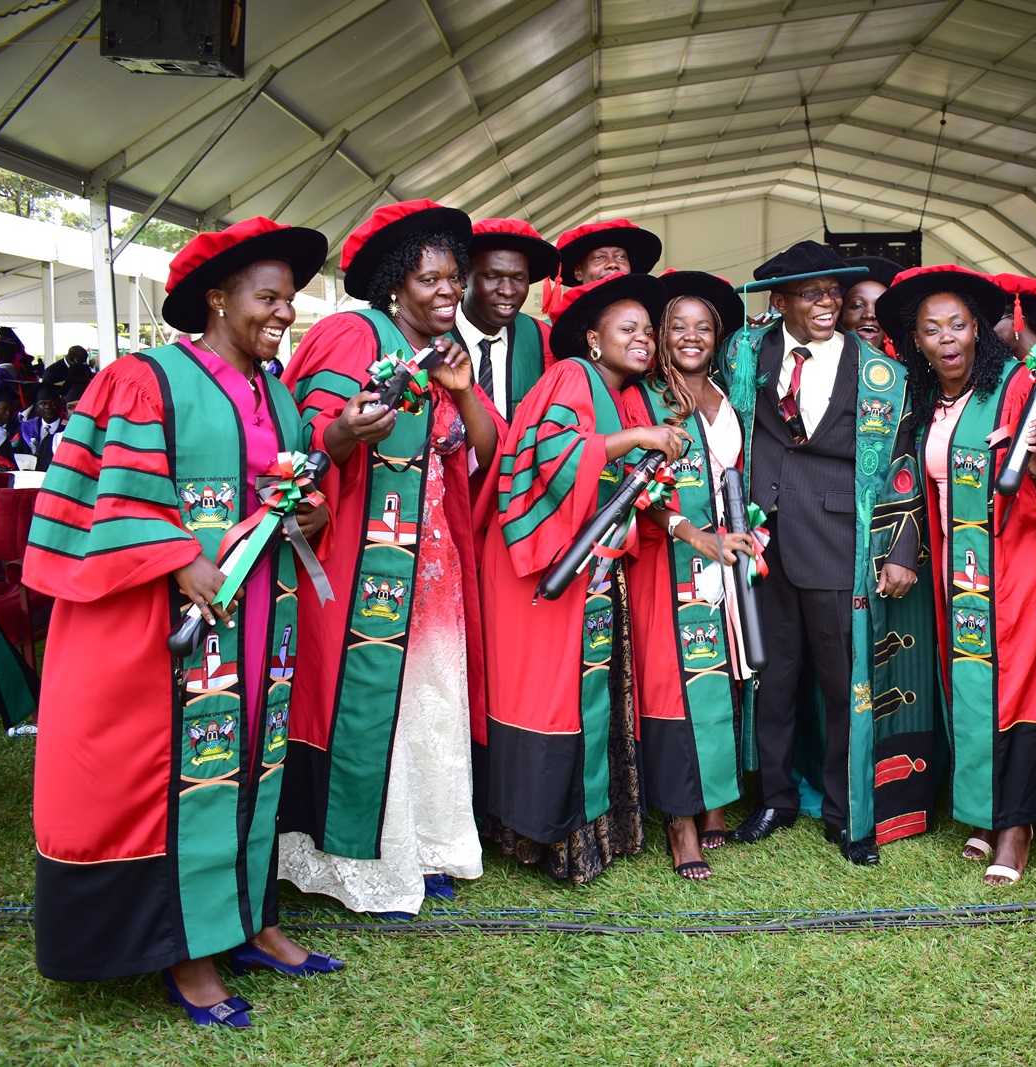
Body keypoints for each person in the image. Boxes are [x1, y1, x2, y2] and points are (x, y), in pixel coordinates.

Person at [23, 216, 342, 1027]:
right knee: (193, 771)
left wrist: (307, 513)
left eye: (291, 300)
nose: (283, 313)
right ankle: (190, 952)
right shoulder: (146, 378)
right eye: (267, 297)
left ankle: (254, 920)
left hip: (263, 611)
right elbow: (113, 492)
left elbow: (284, 487)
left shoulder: (275, 390)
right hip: (174, 622)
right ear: (217, 298)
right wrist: (176, 553)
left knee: (254, 762)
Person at [278, 199, 500, 917]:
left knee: (430, 698)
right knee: (375, 701)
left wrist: (463, 394)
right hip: (358, 557)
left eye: (453, 280)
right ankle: (362, 852)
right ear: (395, 287)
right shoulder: (351, 334)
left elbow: (489, 452)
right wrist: (348, 430)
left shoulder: (443, 360)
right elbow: (309, 443)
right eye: (431, 279)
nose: (447, 292)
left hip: (430, 556)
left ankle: (425, 841)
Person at [877, 265, 1036, 886]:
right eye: (931, 330)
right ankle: (985, 808)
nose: (946, 339)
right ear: (915, 342)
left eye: (956, 325)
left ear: (978, 328)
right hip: (964, 566)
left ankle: (1016, 827)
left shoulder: (1022, 383)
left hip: (1026, 561)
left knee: (1020, 687)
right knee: (974, 685)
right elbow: (926, 491)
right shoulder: (927, 406)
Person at [720, 240, 933, 866]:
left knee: (844, 687)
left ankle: (846, 813)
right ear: (779, 301)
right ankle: (775, 799)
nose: (828, 300)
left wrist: (903, 549)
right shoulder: (745, 354)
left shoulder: (879, 375)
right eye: (813, 291)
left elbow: (903, 468)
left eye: (834, 290)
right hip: (761, 542)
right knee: (772, 679)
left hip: (840, 542)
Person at [479, 272, 686, 883]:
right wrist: (638, 438)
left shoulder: (619, 392)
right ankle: (547, 835)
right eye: (629, 330)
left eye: (649, 331)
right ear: (593, 339)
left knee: (585, 689)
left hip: (590, 563)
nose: (645, 339)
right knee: (552, 695)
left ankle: (593, 828)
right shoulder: (573, 375)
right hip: (545, 565)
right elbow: (552, 453)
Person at [622, 270, 754, 880]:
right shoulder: (648, 400)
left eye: (703, 327)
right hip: (667, 556)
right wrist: (688, 532)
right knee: (672, 681)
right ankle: (680, 822)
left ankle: (716, 801)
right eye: (678, 327)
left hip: (725, 557)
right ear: (662, 335)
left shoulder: (727, 397)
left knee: (721, 673)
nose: (691, 337)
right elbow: (639, 489)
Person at [455, 217, 560, 422]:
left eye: (518, 278)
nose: (507, 291)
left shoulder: (543, 339)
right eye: (493, 277)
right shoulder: (433, 335)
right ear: (464, 276)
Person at [554, 218, 662, 286]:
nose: (613, 264)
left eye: (620, 256)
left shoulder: (647, 317)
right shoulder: (562, 322)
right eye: (599, 257)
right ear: (578, 271)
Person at [840, 255, 903, 351]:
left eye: (881, 307)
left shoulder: (909, 365)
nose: (869, 314)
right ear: (841, 314)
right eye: (857, 306)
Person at [17, 383, 67, 471]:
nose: (48, 407)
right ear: (37, 407)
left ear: (59, 405)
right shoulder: (26, 428)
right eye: (43, 403)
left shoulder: (67, 428)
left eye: (52, 403)